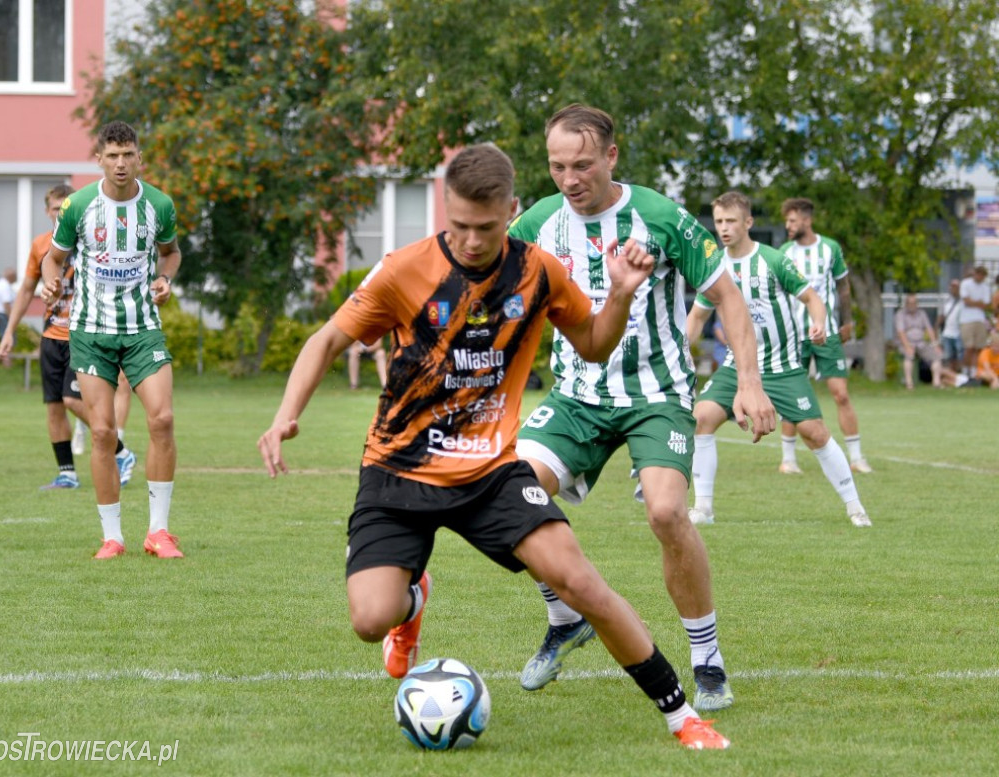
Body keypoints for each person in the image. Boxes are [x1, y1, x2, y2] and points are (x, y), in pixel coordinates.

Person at [257, 143, 731, 750]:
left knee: (581, 582)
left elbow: (591, 345)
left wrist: (620, 295)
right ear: (444, 211)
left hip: (489, 475)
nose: (472, 241)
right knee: (369, 620)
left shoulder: (536, 270)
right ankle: (412, 599)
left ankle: (681, 716)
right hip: (399, 472)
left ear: (510, 210)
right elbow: (326, 340)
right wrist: (284, 417)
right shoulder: (405, 270)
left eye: (485, 227)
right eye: (458, 226)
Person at [508, 104, 775, 711]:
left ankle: (706, 661)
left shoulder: (657, 216)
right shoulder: (538, 224)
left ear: (611, 156)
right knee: (511, 497)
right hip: (576, 396)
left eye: (581, 165)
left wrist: (749, 383)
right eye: (556, 166)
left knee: (665, 514)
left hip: (656, 396)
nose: (569, 179)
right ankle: (564, 619)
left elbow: (727, 298)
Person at [687, 191, 871, 529]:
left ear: (748, 223)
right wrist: (681, 352)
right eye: (719, 222)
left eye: (731, 221)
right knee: (701, 419)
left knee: (814, 432)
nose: (723, 228)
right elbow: (698, 318)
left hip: (783, 367)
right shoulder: (715, 267)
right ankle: (704, 508)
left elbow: (812, 297)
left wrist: (818, 321)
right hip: (737, 368)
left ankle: (855, 506)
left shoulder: (773, 260)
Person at [40, 121, 181, 560]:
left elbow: (170, 252)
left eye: (128, 154)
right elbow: (54, 258)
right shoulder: (79, 205)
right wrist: (50, 282)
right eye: (113, 155)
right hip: (91, 332)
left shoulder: (159, 204)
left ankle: (158, 533)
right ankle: (112, 537)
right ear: (99, 159)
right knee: (101, 432)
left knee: (161, 420)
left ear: (140, 158)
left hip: (142, 330)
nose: (121, 163)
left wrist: (164, 278)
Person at [0, 184, 137, 490]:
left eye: (65, 208)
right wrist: (9, 333)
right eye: (55, 209)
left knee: (73, 399)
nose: (60, 214)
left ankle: (121, 452)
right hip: (51, 335)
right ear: (47, 212)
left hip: (83, 335)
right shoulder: (41, 246)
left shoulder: (92, 241)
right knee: (54, 405)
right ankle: (67, 473)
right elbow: (27, 290)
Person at [776, 198, 871, 475]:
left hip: (827, 333)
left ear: (807, 220)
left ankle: (856, 456)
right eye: (787, 221)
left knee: (840, 394)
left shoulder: (830, 248)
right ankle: (788, 459)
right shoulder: (784, 252)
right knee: (792, 395)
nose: (788, 226)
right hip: (795, 336)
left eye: (792, 221)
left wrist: (847, 321)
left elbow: (843, 287)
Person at [894, 293, 943, 389]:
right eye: (910, 303)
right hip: (907, 342)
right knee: (909, 356)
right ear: (906, 304)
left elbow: (929, 329)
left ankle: (936, 382)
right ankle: (909, 383)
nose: (912, 305)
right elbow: (901, 332)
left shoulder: (922, 313)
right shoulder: (900, 314)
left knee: (937, 355)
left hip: (921, 342)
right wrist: (907, 346)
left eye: (914, 303)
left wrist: (935, 344)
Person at [958, 266, 993, 378]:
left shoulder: (985, 287)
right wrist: (978, 303)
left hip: (980, 319)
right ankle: (965, 370)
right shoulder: (965, 284)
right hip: (967, 319)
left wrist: (975, 302)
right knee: (969, 347)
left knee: (978, 347)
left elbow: (986, 304)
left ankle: (974, 371)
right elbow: (966, 301)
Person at [937, 279, 965, 373]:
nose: (954, 289)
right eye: (952, 286)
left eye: (956, 287)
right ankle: (950, 375)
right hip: (947, 333)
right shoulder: (946, 301)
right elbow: (941, 316)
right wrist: (935, 329)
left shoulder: (963, 301)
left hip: (959, 333)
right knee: (949, 357)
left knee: (959, 356)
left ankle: (959, 376)